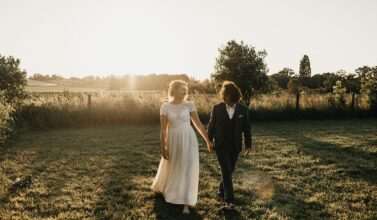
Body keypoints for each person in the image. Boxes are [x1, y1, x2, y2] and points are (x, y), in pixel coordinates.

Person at [151, 80, 213, 214]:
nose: (185, 91)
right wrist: (163, 147)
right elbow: (163, 130)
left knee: (188, 168)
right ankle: (171, 191)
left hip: (189, 139)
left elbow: (198, 125)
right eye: (182, 89)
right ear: (174, 90)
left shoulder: (189, 105)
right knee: (174, 166)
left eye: (186, 89)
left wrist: (207, 140)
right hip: (173, 139)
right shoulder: (165, 107)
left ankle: (187, 202)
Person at [207, 81, 252, 210]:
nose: (233, 103)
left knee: (228, 171)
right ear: (224, 96)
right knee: (226, 171)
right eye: (231, 101)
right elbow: (211, 127)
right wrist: (209, 141)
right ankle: (229, 201)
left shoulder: (243, 109)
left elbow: (247, 129)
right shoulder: (217, 108)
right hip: (220, 145)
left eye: (235, 101)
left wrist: (248, 145)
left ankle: (221, 193)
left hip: (235, 147)